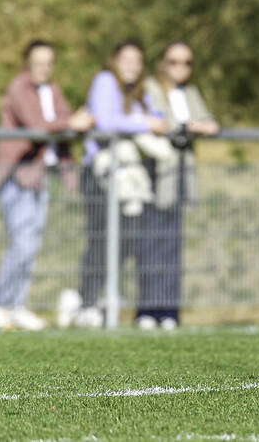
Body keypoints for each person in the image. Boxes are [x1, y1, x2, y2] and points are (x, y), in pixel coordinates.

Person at [56, 39, 172, 329]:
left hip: (130, 180)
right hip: (101, 176)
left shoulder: (140, 91)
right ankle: (85, 300)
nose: (132, 66)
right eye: (126, 59)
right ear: (115, 60)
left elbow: (159, 120)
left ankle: (101, 298)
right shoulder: (105, 82)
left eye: (137, 60)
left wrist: (145, 119)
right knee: (100, 240)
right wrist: (142, 122)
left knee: (126, 241)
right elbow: (107, 122)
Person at [0, 40, 94, 330]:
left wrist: (68, 165)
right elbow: (38, 125)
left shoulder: (53, 91)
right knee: (20, 242)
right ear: (27, 63)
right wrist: (72, 121)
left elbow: (64, 124)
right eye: (38, 62)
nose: (43, 68)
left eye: (48, 62)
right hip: (18, 175)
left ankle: (17, 305)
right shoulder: (19, 87)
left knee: (32, 245)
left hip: (41, 177)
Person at [140, 42, 220, 329]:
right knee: (152, 246)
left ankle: (169, 310)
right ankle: (148, 309)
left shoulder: (191, 93)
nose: (180, 68)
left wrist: (189, 127)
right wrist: (185, 126)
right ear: (163, 62)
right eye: (174, 62)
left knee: (173, 247)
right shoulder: (150, 88)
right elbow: (158, 123)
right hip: (157, 177)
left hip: (182, 177)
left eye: (187, 63)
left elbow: (209, 123)